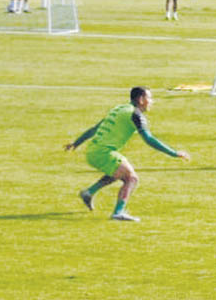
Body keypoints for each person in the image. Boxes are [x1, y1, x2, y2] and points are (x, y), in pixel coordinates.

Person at [64, 86, 190, 222]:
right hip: (104, 153)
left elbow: (95, 129)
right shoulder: (135, 114)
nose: (152, 101)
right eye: (149, 98)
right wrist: (173, 153)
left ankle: (89, 192)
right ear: (141, 99)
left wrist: (76, 143)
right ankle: (118, 213)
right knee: (132, 178)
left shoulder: (119, 108)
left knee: (118, 173)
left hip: (93, 151)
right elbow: (149, 139)